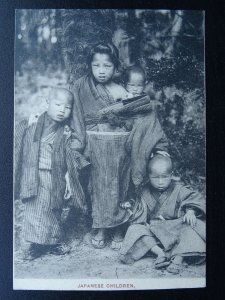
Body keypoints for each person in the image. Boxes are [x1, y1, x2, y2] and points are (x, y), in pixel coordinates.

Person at [70, 43, 168, 250]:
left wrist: (126, 122)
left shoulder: (121, 90)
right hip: (93, 145)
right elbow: (76, 116)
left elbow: (139, 117)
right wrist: (79, 141)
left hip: (120, 147)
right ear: (89, 66)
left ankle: (119, 227)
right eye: (96, 65)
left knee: (120, 185)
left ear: (115, 68)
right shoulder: (80, 86)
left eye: (107, 66)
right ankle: (100, 227)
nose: (101, 70)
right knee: (98, 186)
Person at [14, 87, 89, 260]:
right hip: (34, 174)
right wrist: (27, 125)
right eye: (57, 104)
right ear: (47, 103)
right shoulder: (34, 123)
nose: (62, 110)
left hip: (56, 175)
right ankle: (32, 246)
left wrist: (69, 179)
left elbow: (71, 159)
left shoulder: (66, 131)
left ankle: (53, 242)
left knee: (54, 208)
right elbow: (19, 145)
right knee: (35, 209)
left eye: (67, 107)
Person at [120, 154, 206, 274]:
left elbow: (193, 198)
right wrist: (130, 205)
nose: (160, 182)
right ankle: (160, 254)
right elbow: (137, 205)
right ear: (148, 177)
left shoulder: (179, 189)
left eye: (164, 177)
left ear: (171, 176)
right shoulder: (144, 191)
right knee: (134, 229)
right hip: (154, 231)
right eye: (155, 178)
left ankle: (178, 259)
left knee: (191, 228)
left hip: (175, 230)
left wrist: (191, 211)